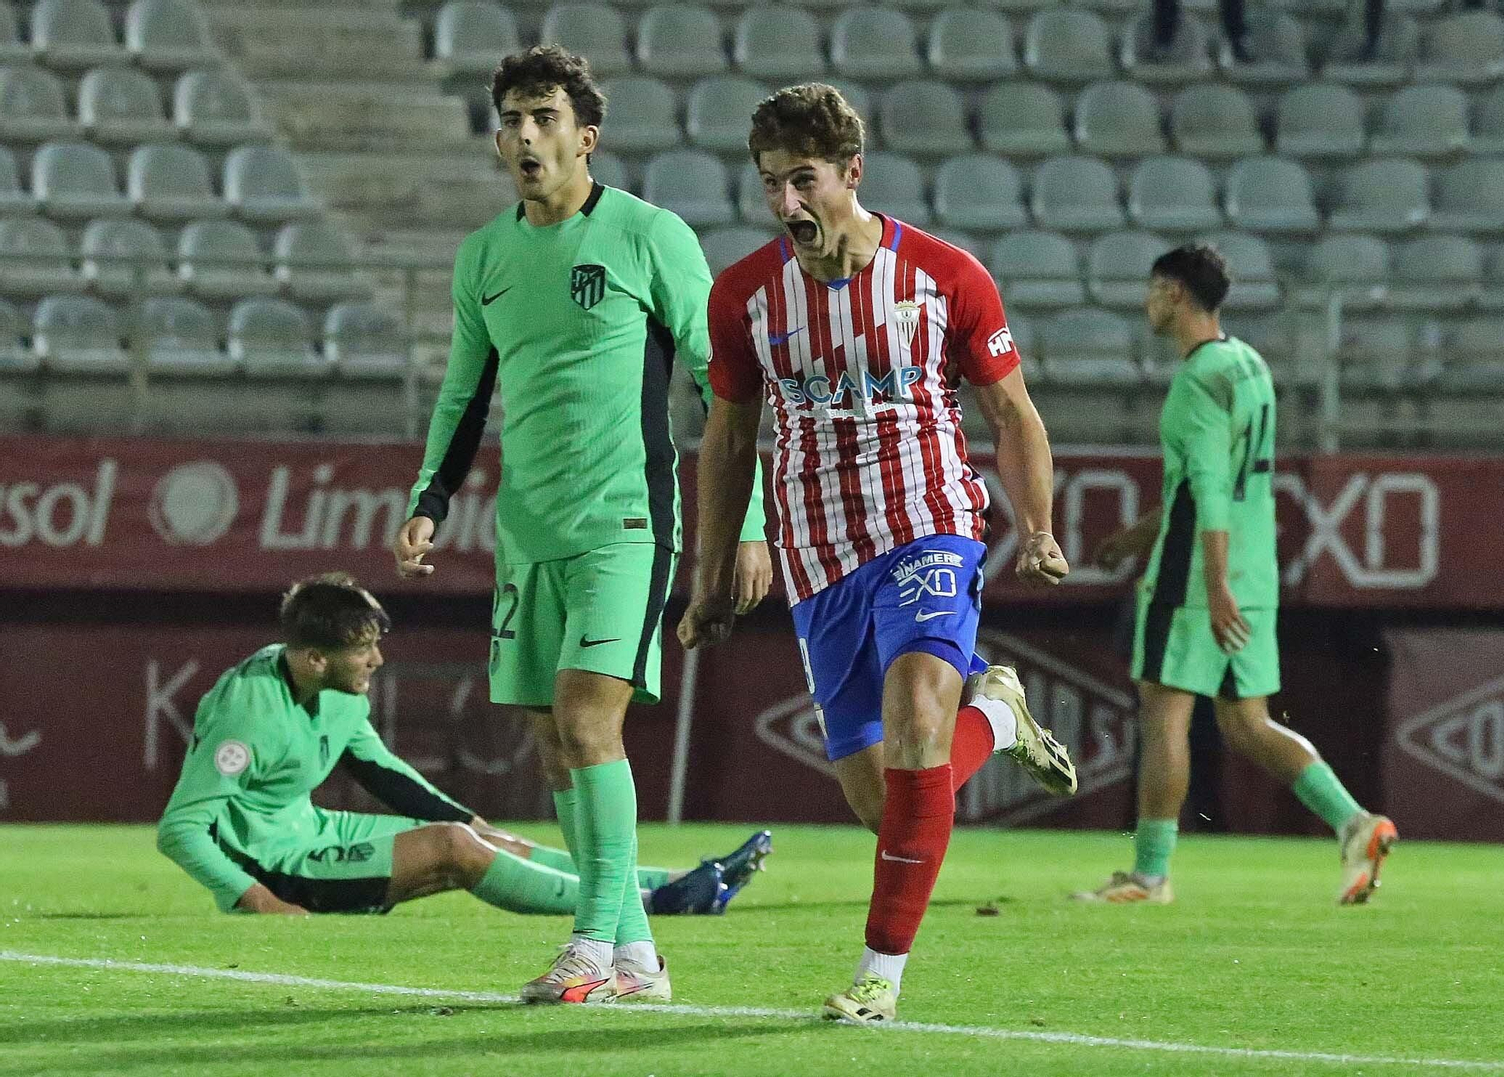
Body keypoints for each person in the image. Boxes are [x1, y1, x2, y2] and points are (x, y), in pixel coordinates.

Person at [678, 83, 1079, 1026]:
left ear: (852, 175)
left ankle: (878, 975)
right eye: (771, 184)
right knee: (884, 799)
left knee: (911, 722)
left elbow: (1012, 412)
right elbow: (729, 442)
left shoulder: (945, 275)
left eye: (804, 181)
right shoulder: (741, 295)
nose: (787, 204)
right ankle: (996, 707)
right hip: (817, 552)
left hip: (928, 522)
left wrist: (1041, 526)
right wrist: (708, 584)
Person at [391, 45, 772, 1005]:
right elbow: (463, 395)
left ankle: (591, 947)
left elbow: (723, 380)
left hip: (626, 521)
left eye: (544, 118)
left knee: (586, 718)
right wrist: (430, 501)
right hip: (529, 530)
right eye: (511, 119)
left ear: (584, 136)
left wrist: (752, 519)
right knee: (551, 738)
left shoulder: (650, 236)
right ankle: (639, 955)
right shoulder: (484, 256)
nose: (524, 136)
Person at [156, 575, 773, 934]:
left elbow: (382, 773)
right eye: (363, 650)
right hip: (281, 865)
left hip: (313, 832)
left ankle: (682, 882)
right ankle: (653, 904)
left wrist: (472, 819)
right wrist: (254, 897)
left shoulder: (333, 693)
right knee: (455, 851)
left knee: (481, 838)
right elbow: (181, 829)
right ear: (316, 659)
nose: (377, 661)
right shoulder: (247, 712)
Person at [1075, 244, 1397, 907]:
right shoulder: (1248, 365)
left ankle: (1149, 873)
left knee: (1163, 711)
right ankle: (1354, 822)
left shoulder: (1195, 380)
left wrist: (1211, 581)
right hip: (1254, 567)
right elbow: (1210, 480)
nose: (1146, 303)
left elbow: (1211, 490)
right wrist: (1139, 535)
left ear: (1173, 295)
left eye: (1151, 289)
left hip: (1198, 576)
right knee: (1247, 722)